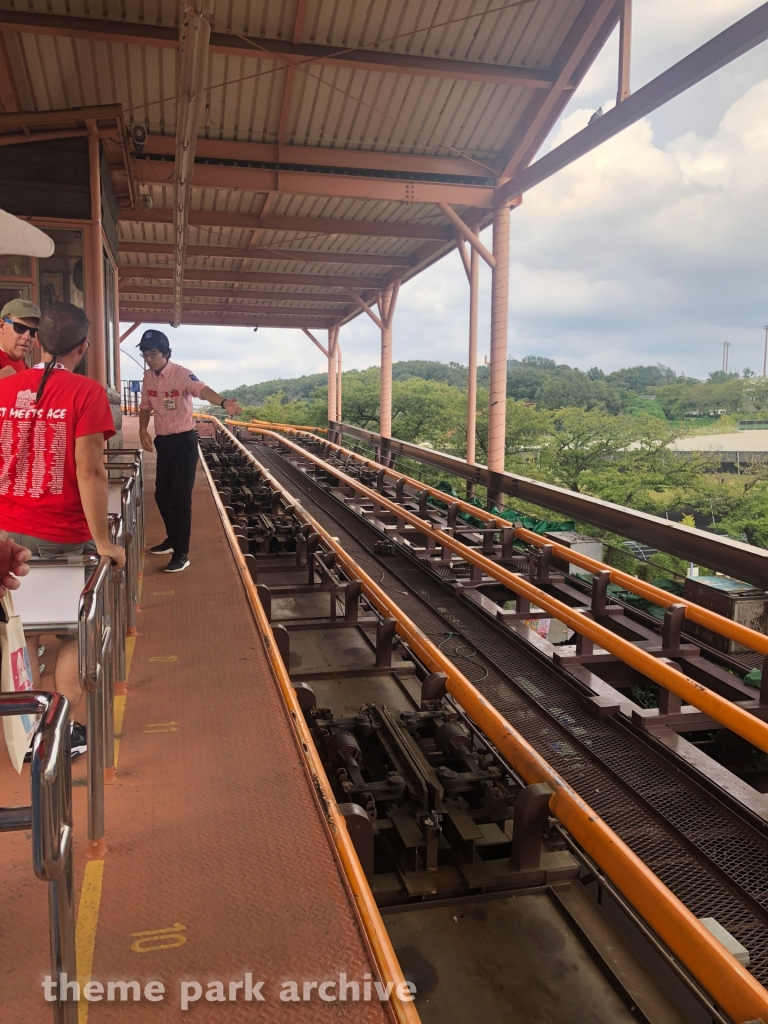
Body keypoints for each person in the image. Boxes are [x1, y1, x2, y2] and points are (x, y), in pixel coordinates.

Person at [0, 302, 125, 755]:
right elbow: (90, 471)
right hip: (62, 536)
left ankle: (29, 731)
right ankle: (61, 733)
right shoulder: (86, 393)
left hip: (7, 536)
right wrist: (105, 543)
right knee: (71, 636)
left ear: (39, 340)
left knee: (24, 636)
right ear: (84, 346)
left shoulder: (6, 389)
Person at [137, 330, 241, 572]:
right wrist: (142, 429)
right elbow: (144, 406)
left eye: (153, 354)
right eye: (145, 354)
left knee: (181, 498)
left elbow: (201, 389)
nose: (149, 359)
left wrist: (224, 403)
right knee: (161, 495)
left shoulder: (182, 374)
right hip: (164, 442)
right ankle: (172, 539)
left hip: (184, 442)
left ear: (166, 353)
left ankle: (182, 553)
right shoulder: (148, 377)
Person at [0, 298, 40, 378]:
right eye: (20, 328)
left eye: (33, 331)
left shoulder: (26, 369)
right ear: (2, 326)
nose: (27, 337)